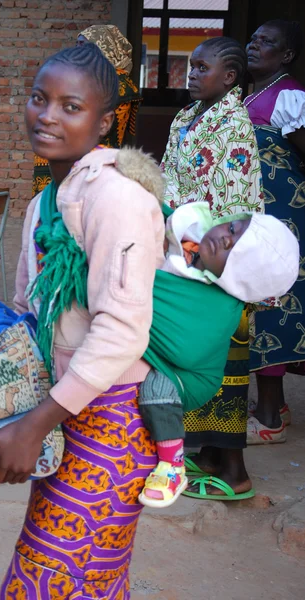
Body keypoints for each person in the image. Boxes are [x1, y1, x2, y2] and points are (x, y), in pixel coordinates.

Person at [0, 43, 165, 597]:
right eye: (39, 99)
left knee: (51, 577)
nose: (48, 115)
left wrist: (35, 424)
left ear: (104, 122)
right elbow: (35, 310)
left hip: (113, 420)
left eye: (70, 106)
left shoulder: (117, 199)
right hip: (64, 409)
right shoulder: (47, 201)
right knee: (86, 577)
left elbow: (123, 329)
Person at [138, 202, 298, 507]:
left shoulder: (220, 304)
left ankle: (172, 463)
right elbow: (163, 215)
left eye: (236, 253)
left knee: (155, 391)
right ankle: (207, 456)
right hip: (166, 350)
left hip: (188, 378)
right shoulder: (193, 236)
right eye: (233, 228)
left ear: (240, 280)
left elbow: (186, 350)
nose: (225, 238)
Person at [161, 37, 265, 500]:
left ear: (230, 78)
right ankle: (206, 455)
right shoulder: (187, 117)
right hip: (185, 251)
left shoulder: (235, 127)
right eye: (192, 66)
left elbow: (233, 215)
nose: (193, 74)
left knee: (228, 359)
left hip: (218, 262)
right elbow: (166, 177)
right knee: (199, 351)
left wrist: (196, 253)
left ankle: (235, 470)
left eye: (203, 68)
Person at [245, 20, 305, 444]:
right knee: (257, 301)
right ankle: (275, 403)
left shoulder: (290, 96)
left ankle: (270, 418)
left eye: (267, 42)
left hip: (282, 217)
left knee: (273, 305)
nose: (254, 46)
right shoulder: (252, 95)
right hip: (258, 217)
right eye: (253, 39)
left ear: (286, 55)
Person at [32, 24, 142, 195]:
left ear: (105, 47)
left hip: (91, 167)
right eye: (77, 44)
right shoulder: (86, 79)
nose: (78, 50)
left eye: (84, 45)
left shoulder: (116, 82)